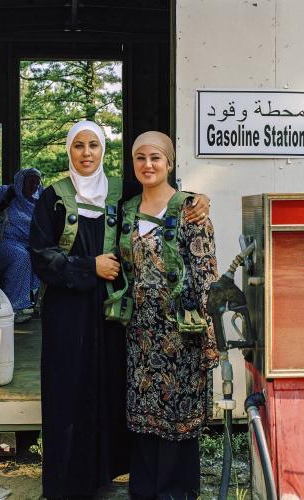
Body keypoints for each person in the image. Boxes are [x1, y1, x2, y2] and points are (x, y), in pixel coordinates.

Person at [29, 121, 210, 499]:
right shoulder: (53, 198)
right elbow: (41, 258)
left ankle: (108, 474)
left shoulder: (118, 194)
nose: (86, 153)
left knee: (111, 391)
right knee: (70, 391)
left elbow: (164, 193)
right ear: (68, 151)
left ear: (103, 152)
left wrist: (200, 198)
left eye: (93, 145)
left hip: (115, 317)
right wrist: (87, 267)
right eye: (78, 146)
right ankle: (67, 484)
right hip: (69, 313)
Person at [120, 131, 219, 500]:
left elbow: (207, 274)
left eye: (156, 157)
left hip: (181, 331)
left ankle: (176, 491)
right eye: (140, 158)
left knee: (179, 411)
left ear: (170, 163)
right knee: (144, 409)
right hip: (140, 332)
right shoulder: (127, 210)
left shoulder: (191, 210)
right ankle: (144, 489)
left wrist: (209, 336)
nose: (148, 165)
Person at [0, 168, 43, 323]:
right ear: (21, 181)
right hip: (2, 243)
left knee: (45, 256)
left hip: (26, 244)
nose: (34, 184)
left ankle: (36, 304)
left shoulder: (38, 200)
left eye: (37, 180)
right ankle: (13, 308)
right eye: (31, 180)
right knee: (21, 257)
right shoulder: (5, 193)